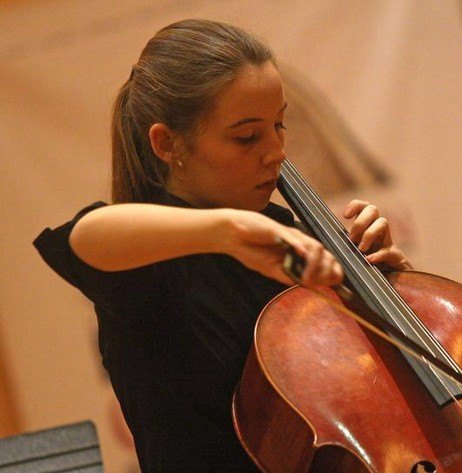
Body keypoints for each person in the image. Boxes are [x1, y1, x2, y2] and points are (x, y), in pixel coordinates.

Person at [34, 19, 411, 472]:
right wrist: (226, 231)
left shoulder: (284, 237)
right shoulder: (152, 263)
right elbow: (83, 238)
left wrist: (392, 292)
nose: (277, 152)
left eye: (279, 124)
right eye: (247, 136)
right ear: (167, 143)